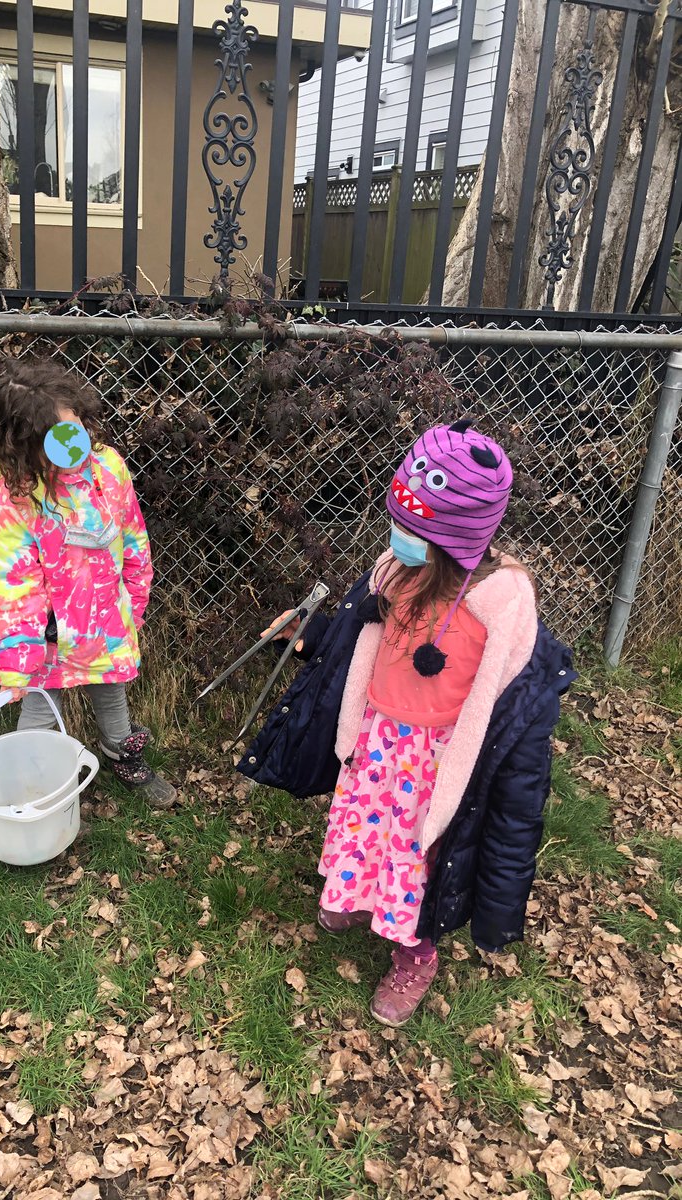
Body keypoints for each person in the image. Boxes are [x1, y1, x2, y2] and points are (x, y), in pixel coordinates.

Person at [238, 420, 575, 1025]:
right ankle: (354, 892)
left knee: (416, 856)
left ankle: (415, 954)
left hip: (434, 761)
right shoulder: (395, 571)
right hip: (378, 739)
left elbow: (508, 711)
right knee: (364, 830)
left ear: (455, 540)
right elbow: (358, 640)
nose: (398, 536)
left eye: (413, 529)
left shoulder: (495, 608)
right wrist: (308, 635)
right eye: (398, 522)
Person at [0, 355, 176, 808]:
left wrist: (134, 600)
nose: (76, 444)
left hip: (106, 618)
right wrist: (19, 663)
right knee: (39, 711)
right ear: (24, 445)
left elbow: (132, 535)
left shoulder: (108, 469)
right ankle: (33, 785)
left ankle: (120, 750)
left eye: (77, 428)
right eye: (59, 439)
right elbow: (13, 589)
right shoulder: (10, 504)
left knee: (111, 690)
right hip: (48, 636)